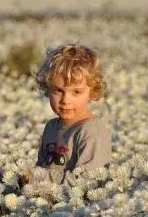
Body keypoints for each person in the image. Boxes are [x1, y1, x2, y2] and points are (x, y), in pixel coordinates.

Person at [34, 44, 112, 184]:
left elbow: (88, 181)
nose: (65, 100)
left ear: (93, 92)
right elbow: (41, 168)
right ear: (47, 89)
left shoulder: (92, 131)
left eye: (76, 92)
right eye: (58, 90)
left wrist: (40, 181)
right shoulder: (51, 127)